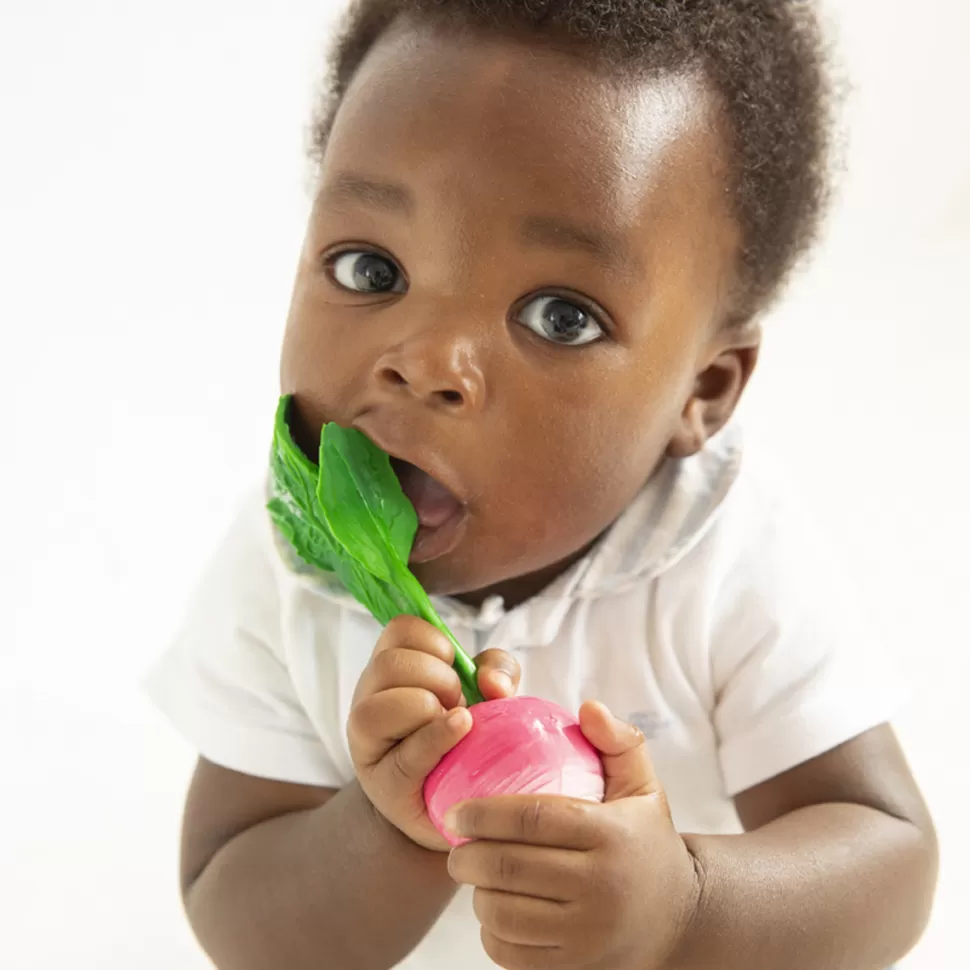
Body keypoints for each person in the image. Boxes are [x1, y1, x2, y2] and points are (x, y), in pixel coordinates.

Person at [146, 2, 938, 968]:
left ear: (704, 391)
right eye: (371, 268)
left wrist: (685, 909)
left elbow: (891, 858)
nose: (427, 360)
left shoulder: (723, 553)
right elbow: (236, 915)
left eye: (561, 316)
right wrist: (390, 825)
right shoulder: (287, 570)